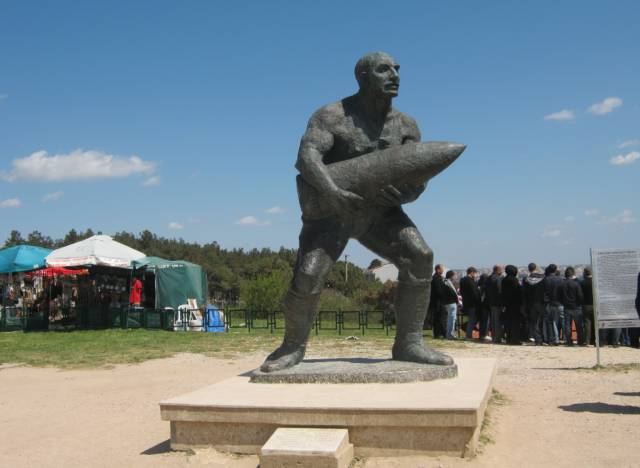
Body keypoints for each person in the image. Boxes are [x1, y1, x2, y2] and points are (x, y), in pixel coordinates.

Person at [261, 52, 454, 372]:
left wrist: (409, 193)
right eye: (384, 70)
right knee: (308, 275)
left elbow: (418, 178)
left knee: (420, 256)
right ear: (363, 77)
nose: (395, 75)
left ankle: (409, 342)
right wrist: (332, 192)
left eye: (397, 69)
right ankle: (291, 347)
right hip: (331, 213)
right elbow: (307, 158)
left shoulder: (406, 125)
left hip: (380, 214)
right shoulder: (331, 116)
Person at [558, 266, 584, 346]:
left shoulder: (561, 284)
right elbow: (580, 296)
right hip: (576, 307)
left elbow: (559, 296)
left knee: (567, 325)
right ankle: (580, 341)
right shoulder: (576, 284)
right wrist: (579, 303)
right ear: (573, 274)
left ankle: (569, 341)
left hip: (567, 307)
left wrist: (564, 302)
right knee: (579, 326)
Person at [523, 263, 545, 345]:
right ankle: (543, 338)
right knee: (541, 321)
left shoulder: (526, 279)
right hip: (540, 303)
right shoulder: (543, 278)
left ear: (529, 269)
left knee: (534, 322)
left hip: (531, 303)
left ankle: (537, 339)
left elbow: (524, 293)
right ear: (536, 268)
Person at [502, 265, 523, 345]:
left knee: (508, 322)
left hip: (507, 304)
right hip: (515, 304)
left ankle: (509, 338)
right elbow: (518, 292)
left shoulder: (504, 280)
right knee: (515, 323)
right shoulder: (514, 280)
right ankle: (515, 339)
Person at [543, 264, 563, 345]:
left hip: (549, 303)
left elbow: (544, 292)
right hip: (558, 303)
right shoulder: (560, 279)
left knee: (550, 322)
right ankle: (557, 339)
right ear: (555, 270)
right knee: (557, 322)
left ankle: (551, 339)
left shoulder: (546, 279)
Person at [460, 266, 482, 340]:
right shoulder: (470, 281)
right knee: (472, 319)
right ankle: (468, 335)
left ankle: (468, 334)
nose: (475, 275)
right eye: (475, 273)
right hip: (472, 303)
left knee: (471, 319)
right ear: (472, 272)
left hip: (466, 302)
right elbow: (474, 293)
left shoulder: (462, 280)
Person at [485, 265, 505, 343]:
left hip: (491, 302)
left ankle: (494, 337)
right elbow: (500, 290)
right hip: (497, 302)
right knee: (497, 321)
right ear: (499, 270)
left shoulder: (489, 278)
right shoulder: (498, 279)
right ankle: (497, 338)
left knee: (493, 320)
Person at [430, 264, 447, 339]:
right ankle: (441, 333)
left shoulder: (439, 277)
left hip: (438, 302)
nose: (443, 270)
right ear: (438, 269)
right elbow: (438, 290)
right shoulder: (436, 278)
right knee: (439, 318)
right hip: (438, 302)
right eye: (442, 269)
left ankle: (439, 333)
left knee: (439, 318)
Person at [442, 270, 459, 339]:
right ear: (451, 275)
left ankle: (450, 334)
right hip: (450, 302)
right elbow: (451, 292)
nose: (455, 277)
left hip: (450, 302)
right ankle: (450, 334)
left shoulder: (447, 282)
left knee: (452, 319)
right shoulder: (447, 282)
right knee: (451, 319)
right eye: (455, 275)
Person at [580, 267, 595, 346]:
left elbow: (580, 295)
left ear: (585, 273)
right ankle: (595, 340)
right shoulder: (595, 282)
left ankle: (587, 341)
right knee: (595, 324)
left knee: (587, 323)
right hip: (595, 305)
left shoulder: (582, 282)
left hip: (586, 305)